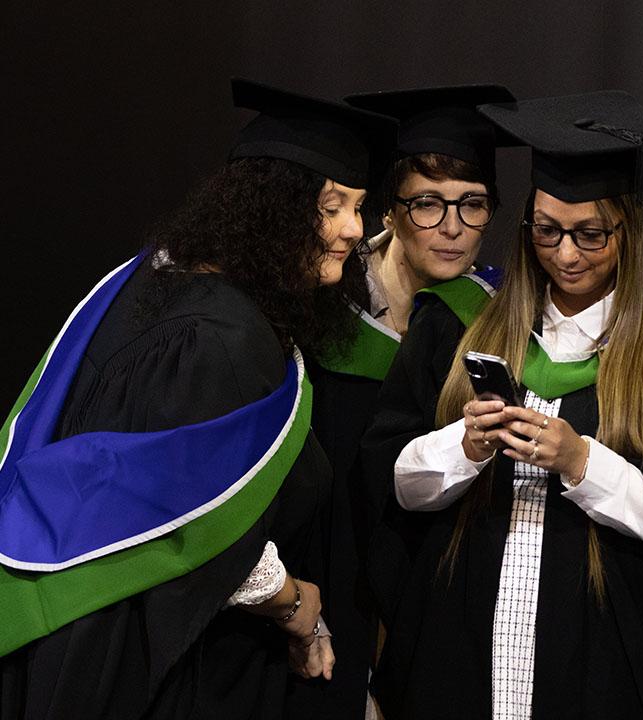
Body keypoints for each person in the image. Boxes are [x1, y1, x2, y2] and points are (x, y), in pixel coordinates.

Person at [0, 79, 394, 719]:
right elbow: (196, 526)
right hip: (175, 667)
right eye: (331, 207)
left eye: (359, 206)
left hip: (81, 639)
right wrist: (295, 604)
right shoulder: (221, 341)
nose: (354, 229)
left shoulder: (152, 277)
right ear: (271, 210)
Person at [361, 90, 643, 719]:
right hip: (459, 653)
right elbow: (392, 482)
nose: (566, 254)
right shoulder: (460, 321)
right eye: (546, 231)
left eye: (590, 234)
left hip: (601, 661)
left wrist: (580, 462)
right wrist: (464, 445)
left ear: (629, 230)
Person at [294, 84, 514, 719]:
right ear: (389, 212)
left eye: (472, 204)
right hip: (323, 581)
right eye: (427, 204)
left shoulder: (497, 320)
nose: (452, 228)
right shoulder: (321, 309)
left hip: (435, 601)